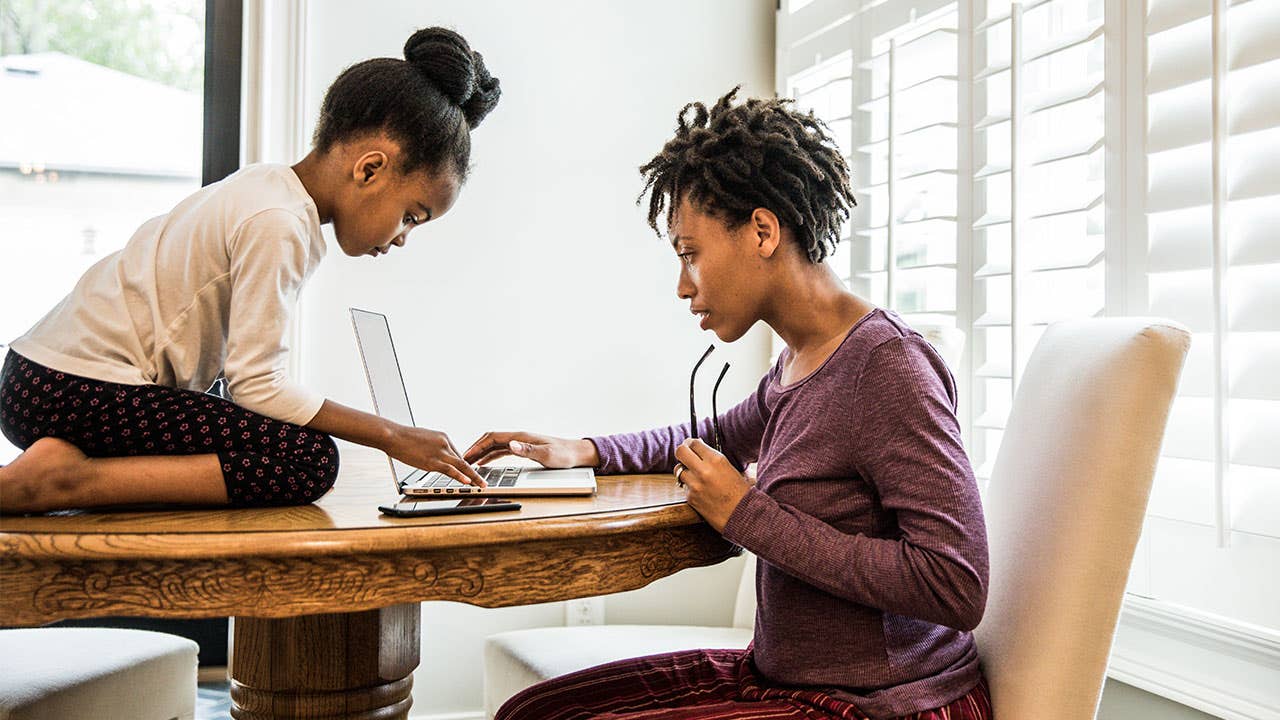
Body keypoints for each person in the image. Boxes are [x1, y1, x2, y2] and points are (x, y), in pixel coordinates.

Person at [464, 89, 991, 720]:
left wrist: (749, 514)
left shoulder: (886, 368)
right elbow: (714, 434)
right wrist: (586, 451)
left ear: (762, 231)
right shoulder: (798, 363)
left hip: (885, 705)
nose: (683, 286)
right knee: (532, 712)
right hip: (779, 678)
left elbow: (956, 583)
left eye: (691, 254)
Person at [0, 27, 500, 514]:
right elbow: (257, 384)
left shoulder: (269, 190)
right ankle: (65, 479)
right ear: (370, 169)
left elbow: (242, 382)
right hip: (67, 388)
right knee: (308, 460)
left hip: (38, 380)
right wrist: (391, 435)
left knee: (274, 439)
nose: (402, 239)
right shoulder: (279, 223)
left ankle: (69, 468)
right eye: (411, 216)